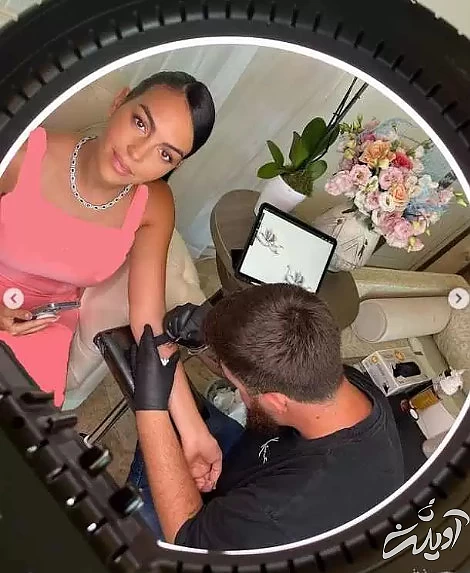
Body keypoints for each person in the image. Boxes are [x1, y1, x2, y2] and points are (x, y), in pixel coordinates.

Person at [0, 71, 223, 491]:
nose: (138, 153)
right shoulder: (24, 154)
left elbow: (149, 325)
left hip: (44, 325)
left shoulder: (153, 205)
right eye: (140, 122)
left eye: (165, 154)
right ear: (119, 101)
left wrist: (192, 430)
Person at [130, 283, 405, 551]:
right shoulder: (337, 381)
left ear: (276, 401)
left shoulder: (286, 510)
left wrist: (150, 406)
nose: (239, 393)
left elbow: (187, 540)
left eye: (237, 387)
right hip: (249, 470)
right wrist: (219, 345)